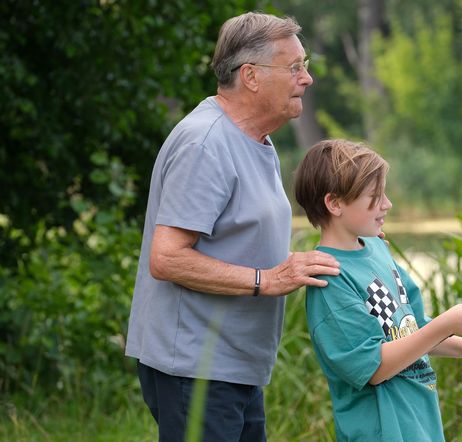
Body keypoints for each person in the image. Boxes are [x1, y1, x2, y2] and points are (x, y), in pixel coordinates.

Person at [124, 12, 341, 442]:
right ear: (251, 77)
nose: (307, 79)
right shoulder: (205, 144)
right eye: (295, 67)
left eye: (306, 64)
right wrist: (266, 279)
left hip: (234, 366)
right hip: (195, 368)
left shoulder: (256, 140)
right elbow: (166, 259)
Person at [293, 139, 462, 442]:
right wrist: (447, 322)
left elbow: (409, 332)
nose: (387, 204)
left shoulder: (378, 250)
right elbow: (375, 367)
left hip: (420, 424)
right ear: (335, 203)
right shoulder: (331, 280)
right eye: (374, 195)